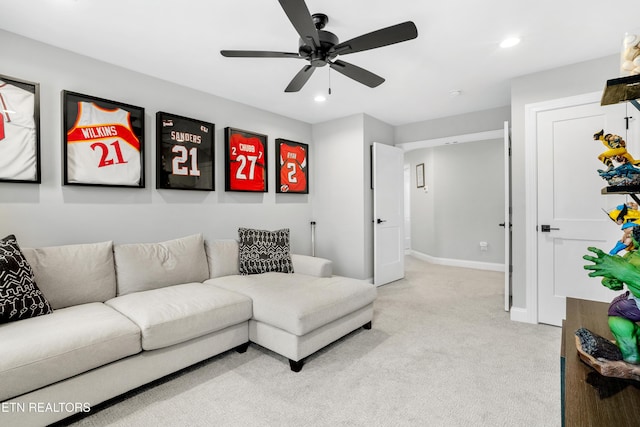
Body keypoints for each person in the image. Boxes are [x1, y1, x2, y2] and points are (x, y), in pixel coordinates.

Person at [583, 225, 640, 363]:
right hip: (631, 304)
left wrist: (626, 274)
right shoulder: (632, 255)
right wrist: (609, 281)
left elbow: (622, 270)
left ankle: (631, 353)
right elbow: (613, 271)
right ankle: (631, 349)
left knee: (617, 316)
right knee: (617, 315)